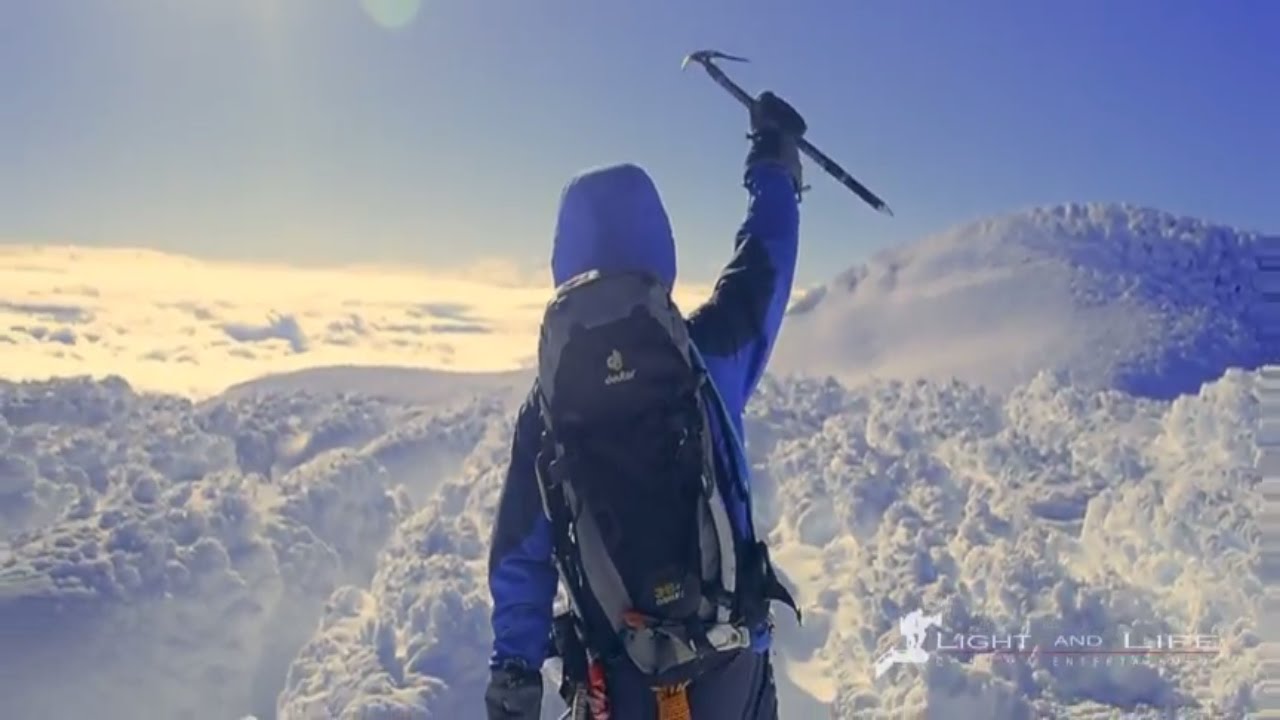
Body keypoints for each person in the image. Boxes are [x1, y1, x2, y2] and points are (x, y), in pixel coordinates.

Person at [485, 91, 807, 720]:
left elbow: (523, 552)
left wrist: (514, 672)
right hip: (729, 667)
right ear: (660, 243)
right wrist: (775, 162)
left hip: (620, 682)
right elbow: (766, 263)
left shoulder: (547, 405)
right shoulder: (707, 357)